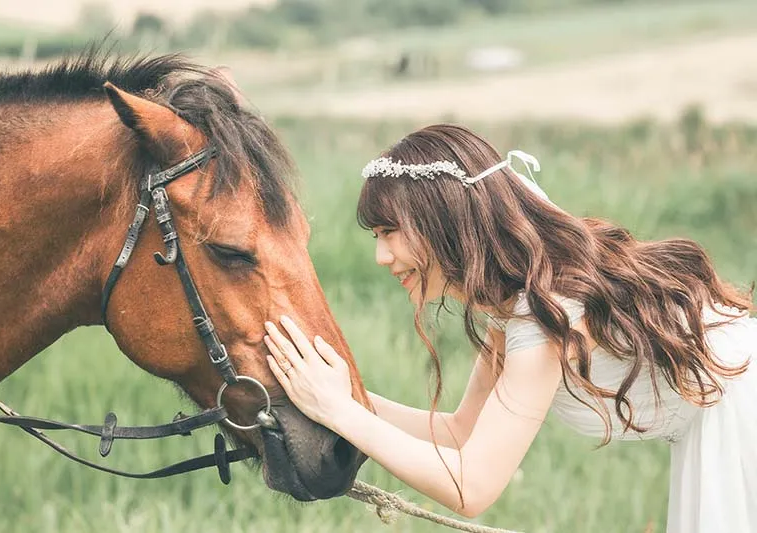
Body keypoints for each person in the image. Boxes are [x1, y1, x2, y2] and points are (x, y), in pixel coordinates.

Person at [262, 124, 756, 532]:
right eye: (375, 236)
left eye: (389, 232)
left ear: (443, 220)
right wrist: (345, 396)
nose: (380, 255)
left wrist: (340, 412)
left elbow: (472, 487)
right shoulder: (517, 299)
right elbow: (459, 435)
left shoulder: (548, 314)